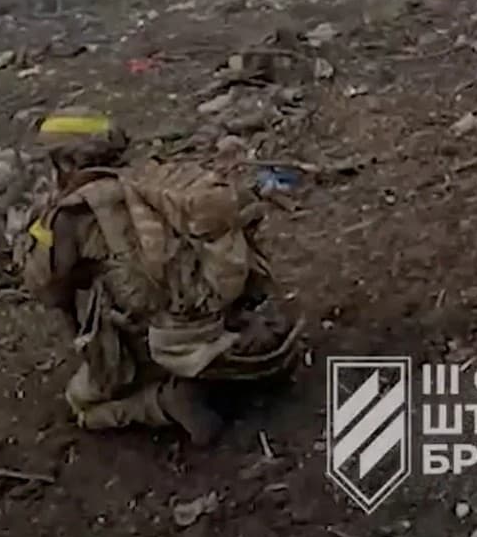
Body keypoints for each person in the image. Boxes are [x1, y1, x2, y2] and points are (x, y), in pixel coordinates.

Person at [20, 139, 301, 444]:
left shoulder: (74, 213)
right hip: (241, 325)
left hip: (174, 343)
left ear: (66, 165)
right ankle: (243, 368)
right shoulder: (158, 177)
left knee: (83, 405)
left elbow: (49, 292)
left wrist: (41, 229)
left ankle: (166, 402)